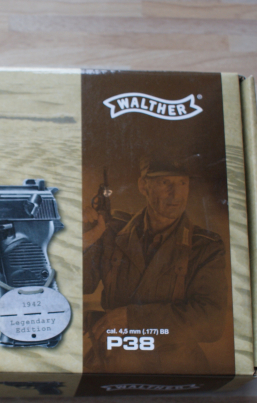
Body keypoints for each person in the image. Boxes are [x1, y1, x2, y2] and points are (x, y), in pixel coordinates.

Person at [83, 154, 228, 374]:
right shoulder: (112, 230)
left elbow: (211, 323)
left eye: (182, 183)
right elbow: (81, 285)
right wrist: (86, 242)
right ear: (143, 186)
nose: (176, 194)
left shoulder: (205, 246)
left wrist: (133, 318)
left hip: (176, 370)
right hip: (113, 363)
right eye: (165, 182)